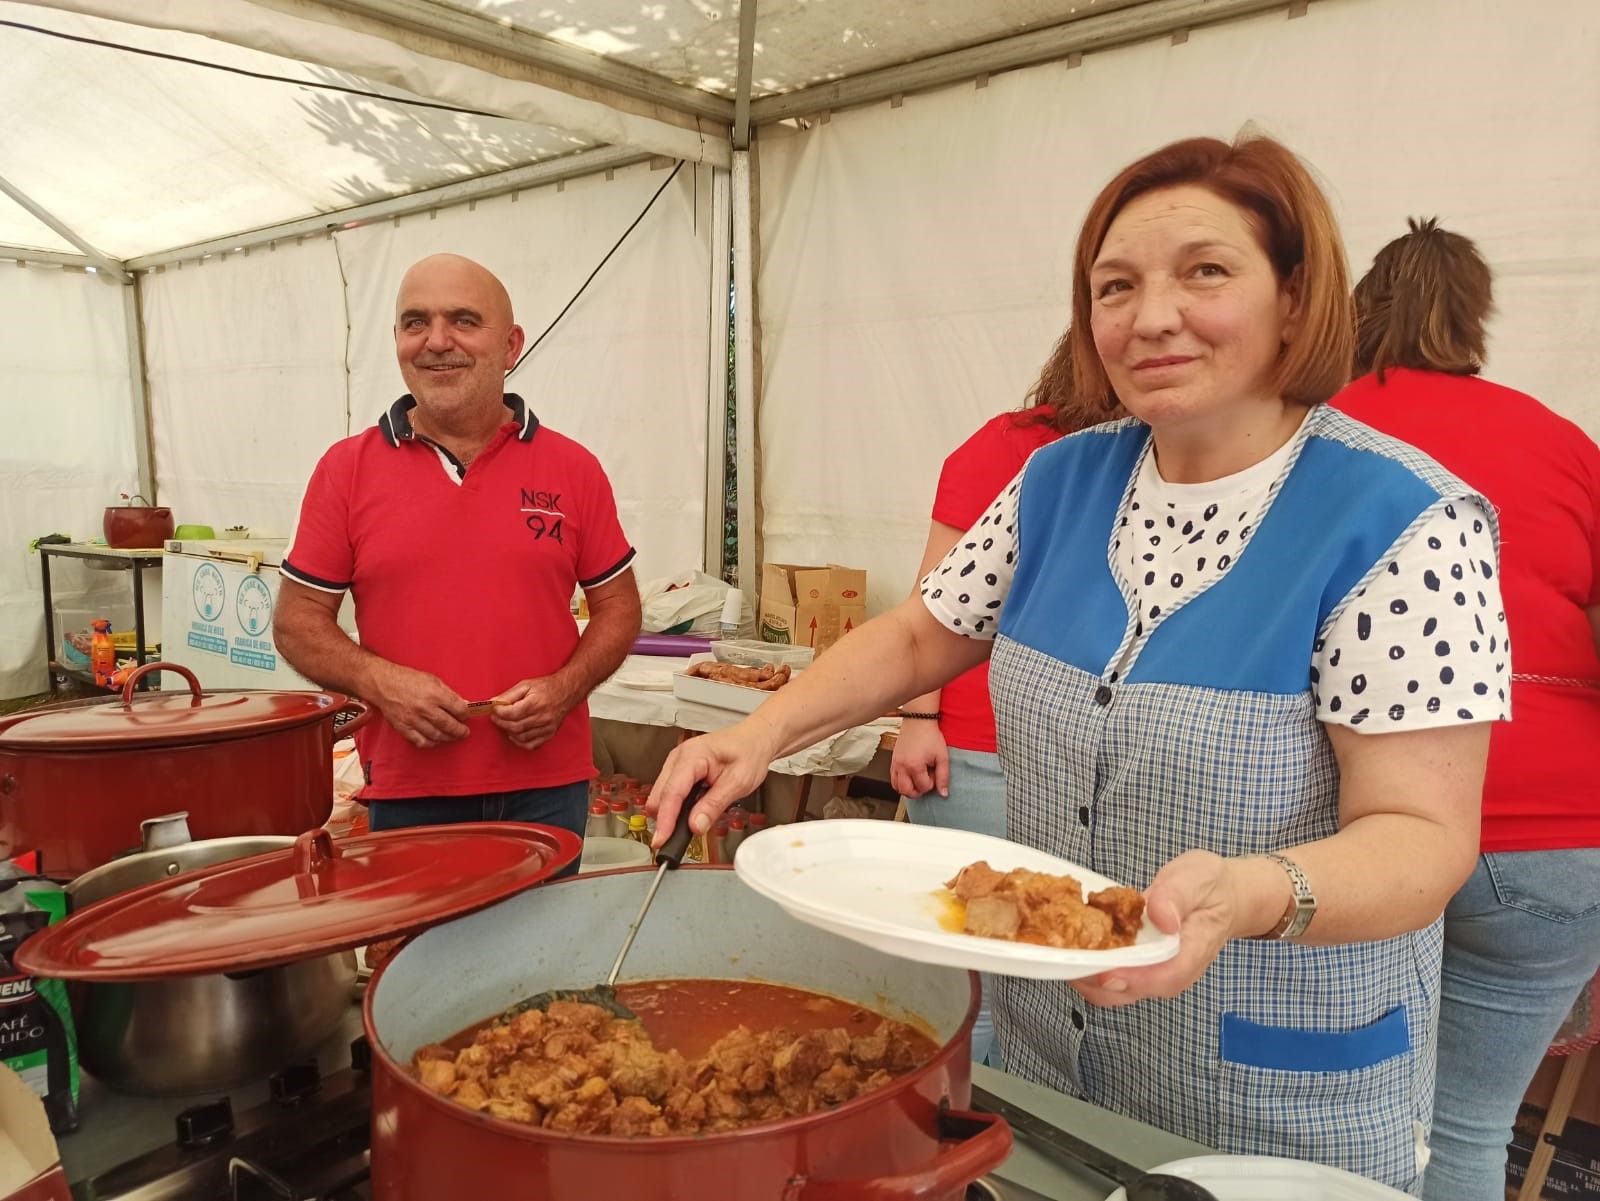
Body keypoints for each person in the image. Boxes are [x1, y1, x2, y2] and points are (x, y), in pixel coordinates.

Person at [651, 135, 1509, 1192]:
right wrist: (755, 733)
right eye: (1115, 285)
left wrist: (1244, 894)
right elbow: (924, 634)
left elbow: (1422, 840)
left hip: (1269, 1093)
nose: (1150, 315)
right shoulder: (1060, 479)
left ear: (1294, 297)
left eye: (1205, 271)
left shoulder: (1400, 521)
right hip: (1059, 1056)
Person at [1333, 219, 1600, 1201]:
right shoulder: (1565, 443)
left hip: (1370, 815)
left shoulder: (1317, 425)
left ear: (1358, 310)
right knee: (1470, 1135)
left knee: (1323, 1118)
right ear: (1476, 314)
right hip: (1562, 834)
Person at [274, 253, 642, 854]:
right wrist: (381, 682)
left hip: (547, 787)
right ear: (396, 339)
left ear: (511, 344)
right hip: (409, 790)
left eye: (464, 320)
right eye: (415, 322)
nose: (437, 342)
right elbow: (296, 624)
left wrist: (566, 687)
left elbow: (619, 609)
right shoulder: (346, 470)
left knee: (548, 949)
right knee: (426, 952)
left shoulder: (573, 468)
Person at [889, 336, 1079, 1066]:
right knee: (981, 971)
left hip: (1067, 755)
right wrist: (918, 718)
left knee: (1034, 961)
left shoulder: (1158, 457)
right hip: (974, 752)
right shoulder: (1009, 448)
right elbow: (929, 601)